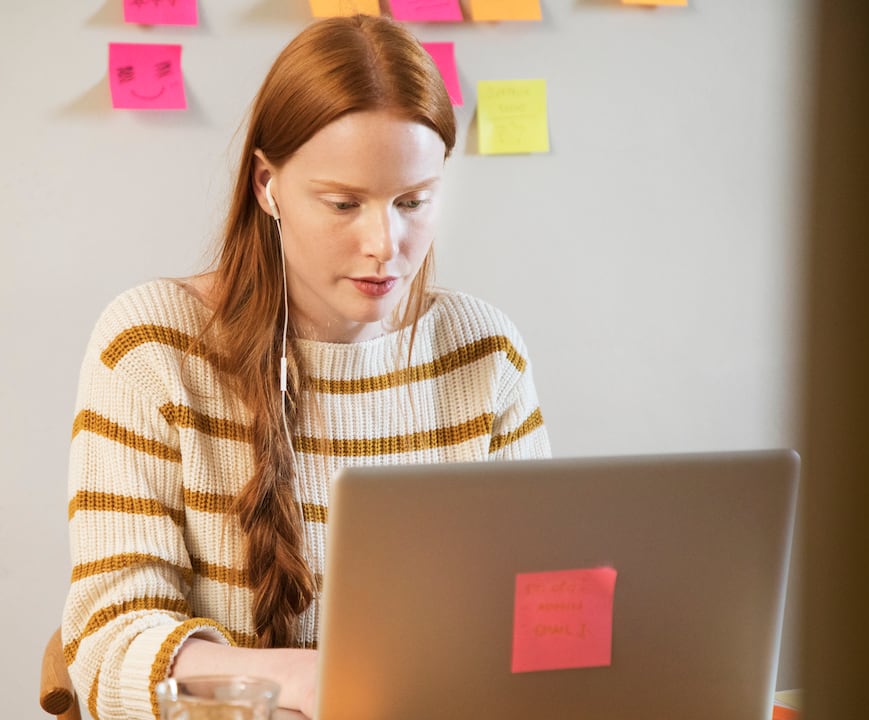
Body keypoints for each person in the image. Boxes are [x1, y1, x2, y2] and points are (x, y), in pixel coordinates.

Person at [61, 14, 551, 720]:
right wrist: (295, 681)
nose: (386, 243)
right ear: (267, 185)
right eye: (344, 203)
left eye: (414, 202)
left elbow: (531, 612)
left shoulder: (485, 351)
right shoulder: (151, 348)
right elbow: (108, 645)